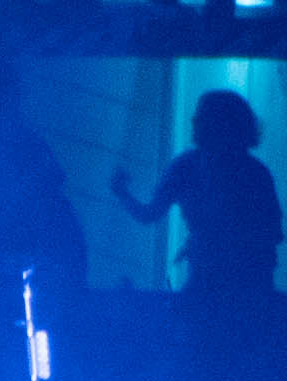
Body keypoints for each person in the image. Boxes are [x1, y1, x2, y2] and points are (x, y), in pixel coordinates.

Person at [114, 90, 282, 307]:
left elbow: (149, 213)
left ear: (219, 123)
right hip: (245, 290)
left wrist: (121, 192)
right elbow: (273, 234)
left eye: (201, 116)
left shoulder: (187, 166)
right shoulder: (255, 172)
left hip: (223, 289)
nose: (194, 121)